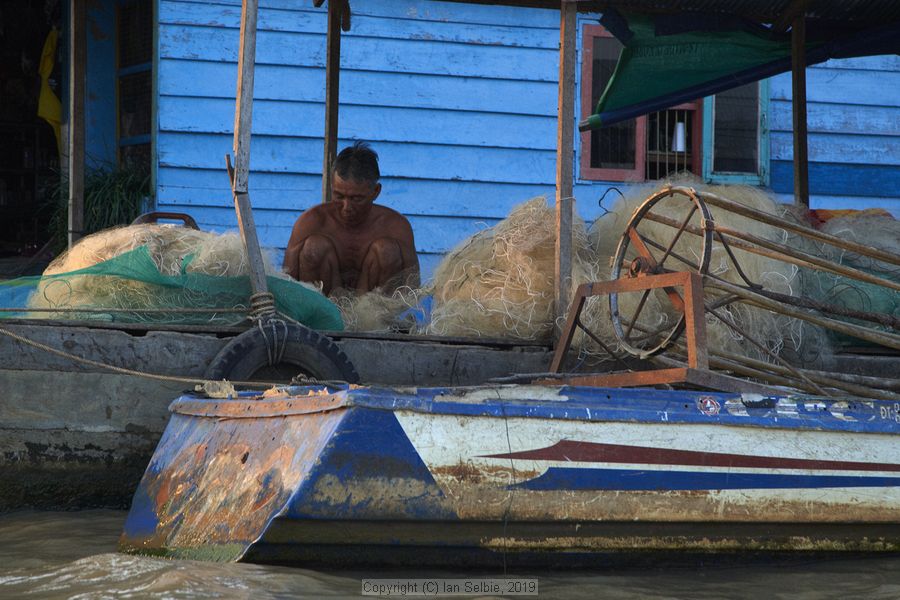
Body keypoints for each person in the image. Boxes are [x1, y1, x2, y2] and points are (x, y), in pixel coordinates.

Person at [283, 142, 420, 296]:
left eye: (356, 198)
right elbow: (287, 282)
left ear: (375, 191)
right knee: (314, 247)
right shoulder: (311, 222)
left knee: (386, 250)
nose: (347, 207)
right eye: (339, 196)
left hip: (374, 315)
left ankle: (373, 318)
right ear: (331, 187)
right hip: (321, 312)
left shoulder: (396, 227)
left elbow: (413, 288)